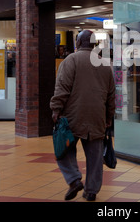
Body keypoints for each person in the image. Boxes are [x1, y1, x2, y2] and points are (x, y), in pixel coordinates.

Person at [50, 30, 116, 201]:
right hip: (97, 117)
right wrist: (109, 117)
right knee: (95, 155)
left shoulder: (70, 60)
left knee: (63, 150)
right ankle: (91, 190)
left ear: (78, 44)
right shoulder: (104, 64)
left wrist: (56, 109)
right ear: (94, 44)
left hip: (73, 116)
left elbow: (62, 88)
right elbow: (111, 95)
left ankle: (73, 179)